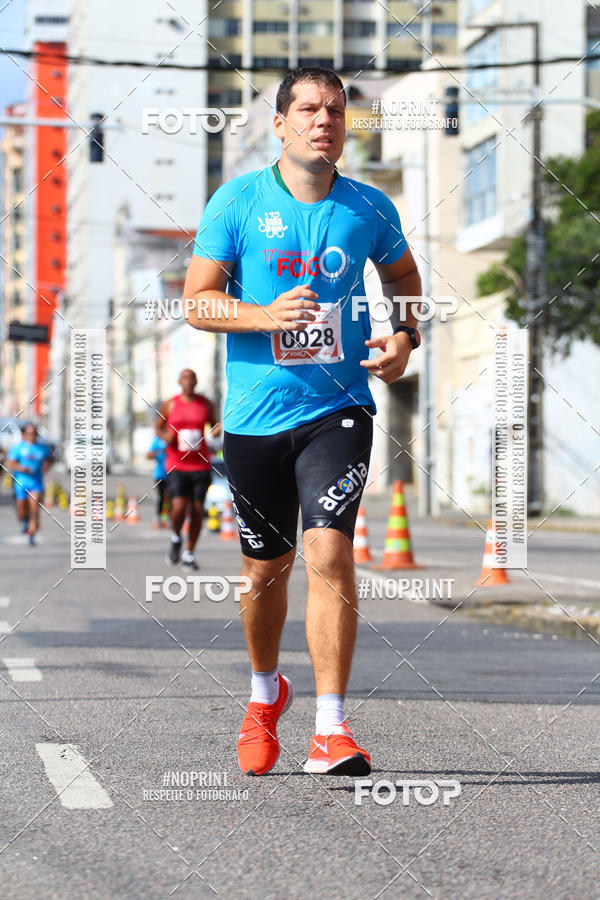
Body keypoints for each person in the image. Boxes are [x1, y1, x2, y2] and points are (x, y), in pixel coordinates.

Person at [182, 67, 422, 776]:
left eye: (337, 110)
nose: (325, 120)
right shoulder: (237, 202)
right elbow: (198, 301)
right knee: (264, 573)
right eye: (310, 109)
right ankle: (264, 696)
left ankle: (331, 727)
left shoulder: (369, 208)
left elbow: (403, 279)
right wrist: (261, 315)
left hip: (338, 410)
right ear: (281, 124)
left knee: (329, 553)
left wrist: (406, 337)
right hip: (256, 419)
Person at [156, 369, 220, 571]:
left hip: (200, 464)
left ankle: (189, 554)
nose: (189, 382)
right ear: (179, 381)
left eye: (192, 378)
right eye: (185, 378)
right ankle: (176, 537)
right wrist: (165, 436)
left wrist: (215, 431)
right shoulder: (170, 403)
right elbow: (159, 426)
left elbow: (215, 423)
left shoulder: (204, 403)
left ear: (196, 381)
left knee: (199, 511)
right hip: (176, 464)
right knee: (178, 508)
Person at [6, 423, 54, 546]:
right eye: (29, 434)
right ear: (25, 435)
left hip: (36, 483)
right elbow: (10, 463)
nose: (32, 436)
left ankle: (32, 533)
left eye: (34, 434)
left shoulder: (42, 448)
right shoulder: (18, 448)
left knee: (34, 507)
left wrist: (47, 465)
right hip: (20, 483)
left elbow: (50, 458)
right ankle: (24, 521)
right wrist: (21, 468)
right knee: (22, 511)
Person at [146, 434, 167, 529]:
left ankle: (168, 518)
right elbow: (148, 455)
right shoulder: (157, 441)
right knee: (161, 496)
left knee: (172, 496)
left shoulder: (172, 437)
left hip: (173, 473)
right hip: (160, 474)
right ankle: (158, 518)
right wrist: (159, 452)